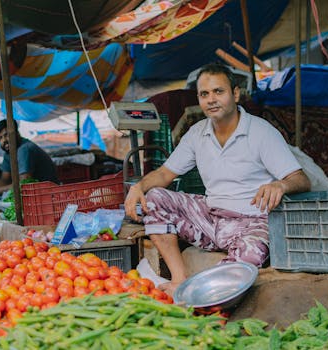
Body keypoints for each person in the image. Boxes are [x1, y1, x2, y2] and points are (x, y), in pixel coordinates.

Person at [124, 63, 311, 296]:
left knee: (249, 258)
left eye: (218, 92)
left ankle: (208, 293)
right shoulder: (196, 133)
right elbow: (164, 174)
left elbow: (301, 179)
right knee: (154, 197)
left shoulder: (261, 132)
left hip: (252, 222)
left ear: (235, 94)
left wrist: (281, 184)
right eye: (204, 94)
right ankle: (179, 279)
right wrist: (138, 187)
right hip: (211, 220)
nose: (211, 99)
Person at [0, 119, 58, 206]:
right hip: (33, 195)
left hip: (48, 196)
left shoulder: (24, 149)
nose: (4, 140)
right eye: (0, 138)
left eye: (6, 135)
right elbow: (4, 179)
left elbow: (24, 184)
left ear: (16, 133)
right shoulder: (8, 152)